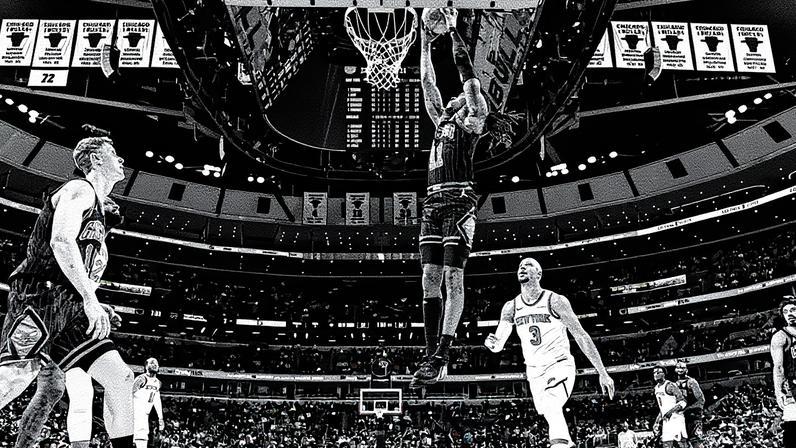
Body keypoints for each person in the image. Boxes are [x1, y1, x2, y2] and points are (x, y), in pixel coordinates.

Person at [0, 137, 135, 448]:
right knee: (15, 378)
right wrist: (90, 299)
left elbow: (83, 267)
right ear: (96, 160)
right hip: (41, 295)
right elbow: (61, 241)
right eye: (113, 153)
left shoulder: (100, 211)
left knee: (121, 378)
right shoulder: (80, 189)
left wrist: (95, 300)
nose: (121, 159)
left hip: (70, 304)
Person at [413, 7, 517, 388]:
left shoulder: (474, 116)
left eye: (459, 95)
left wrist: (454, 30)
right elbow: (428, 83)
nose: (454, 95)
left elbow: (466, 75)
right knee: (428, 278)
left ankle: (443, 350)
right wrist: (424, 42)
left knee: (453, 280)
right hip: (432, 202)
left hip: (459, 202)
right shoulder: (442, 119)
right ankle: (431, 357)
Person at [483, 258, 615, 448]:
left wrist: (602, 372)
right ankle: (568, 443)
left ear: (539, 274)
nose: (522, 267)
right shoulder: (510, 307)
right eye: (520, 265)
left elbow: (581, 336)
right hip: (534, 371)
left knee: (552, 405)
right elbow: (498, 345)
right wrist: (491, 343)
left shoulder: (555, 301)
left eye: (528, 265)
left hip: (559, 364)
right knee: (548, 411)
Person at [770, 296, 796, 447]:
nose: (789, 313)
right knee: (792, 430)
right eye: (785, 311)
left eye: (793, 309)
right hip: (792, 386)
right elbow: (778, 366)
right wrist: (778, 391)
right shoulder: (780, 336)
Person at [653, 366, 688, 448]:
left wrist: (670, 412)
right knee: (666, 444)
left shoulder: (670, 385)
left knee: (681, 444)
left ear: (664, 374)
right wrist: (657, 422)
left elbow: (683, 402)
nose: (656, 374)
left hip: (676, 418)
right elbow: (662, 408)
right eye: (654, 372)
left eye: (658, 372)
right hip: (666, 420)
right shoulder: (656, 388)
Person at [133, 358, 165, 448]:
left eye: (156, 363)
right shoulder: (141, 379)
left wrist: (160, 418)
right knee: (139, 436)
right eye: (151, 363)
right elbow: (129, 394)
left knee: (143, 437)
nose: (154, 365)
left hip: (145, 414)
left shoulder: (158, 383)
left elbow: (157, 400)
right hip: (135, 412)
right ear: (146, 366)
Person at [675, 360, 705, 448]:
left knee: (696, 441)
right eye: (678, 368)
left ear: (686, 370)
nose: (680, 370)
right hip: (681, 416)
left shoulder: (692, 382)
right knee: (681, 442)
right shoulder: (675, 384)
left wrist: (687, 409)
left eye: (682, 368)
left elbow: (701, 400)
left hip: (693, 415)